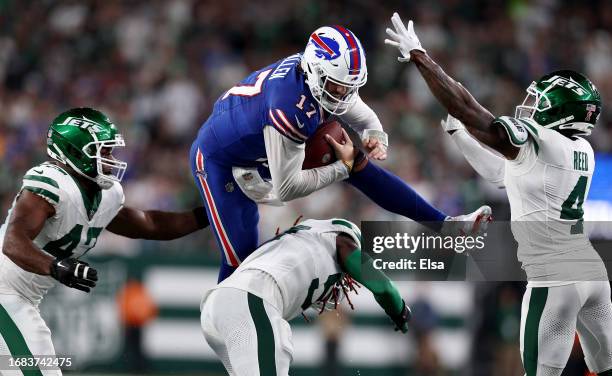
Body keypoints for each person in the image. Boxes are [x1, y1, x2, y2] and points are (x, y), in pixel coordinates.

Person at [385, 13, 612, 376]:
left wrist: (420, 57)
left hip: (552, 278)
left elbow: (473, 113)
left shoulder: (543, 141)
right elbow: (502, 174)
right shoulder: (580, 149)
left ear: (559, 109)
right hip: (589, 270)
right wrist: (459, 135)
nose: (532, 106)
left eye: (540, 101)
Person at [190, 25, 492, 281]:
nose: (343, 95)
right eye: (336, 87)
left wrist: (375, 135)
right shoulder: (289, 103)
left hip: (259, 151)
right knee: (240, 260)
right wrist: (343, 168)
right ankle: (229, 333)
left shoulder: (320, 81)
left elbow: (362, 116)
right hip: (220, 161)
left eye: (348, 87)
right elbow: (287, 189)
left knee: (354, 160)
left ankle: (445, 225)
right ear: (315, 72)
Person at [0, 108, 209, 376]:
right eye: (104, 151)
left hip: (21, 296)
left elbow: (151, 225)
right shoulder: (51, 183)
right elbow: (13, 241)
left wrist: (208, 215)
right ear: (74, 151)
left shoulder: (104, 196)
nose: (111, 160)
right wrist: (57, 266)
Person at [200, 218, 411, 376]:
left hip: (215, 308)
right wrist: (399, 310)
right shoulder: (342, 241)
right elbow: (384, 288)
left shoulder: (295, 242)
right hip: (251, 301)